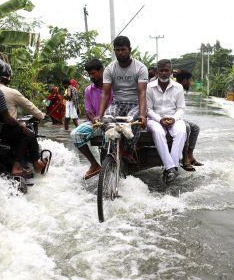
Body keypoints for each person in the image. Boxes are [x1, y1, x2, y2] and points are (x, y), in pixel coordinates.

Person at [96, 35, 148, 164]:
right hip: (118, 103)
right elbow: (105, 93)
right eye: (117, 50)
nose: (120, 53)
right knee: (106, 120)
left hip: (135, 103)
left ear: (129, 49)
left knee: (131, 121)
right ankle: (110, 148)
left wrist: (142, 115)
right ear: (114, 51)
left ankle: (129, 151)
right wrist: (99, 115)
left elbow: (142, 92)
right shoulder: (109, 69)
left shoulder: (140, 68)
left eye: (123, 49)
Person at [70, 59, 112, 180]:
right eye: (89, 74)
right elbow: (88, 111)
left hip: (112, 122)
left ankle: (107, 168)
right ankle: (94, 164)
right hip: (95, 122)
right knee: (75, 134)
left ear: (101, 71)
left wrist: (106, 122)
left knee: (109, 136)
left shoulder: (111, 87)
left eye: (93, 73)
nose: (91, 76)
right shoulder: (89, 90)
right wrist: (97, 122)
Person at [146, 59, 186, 184]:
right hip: (155, 119)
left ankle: (171, 169)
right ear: (157, 72)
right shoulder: (149, 87)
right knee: (158, 132)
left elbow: (181, 108)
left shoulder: (178, 87)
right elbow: (148, 109)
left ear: (171, 72)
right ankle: (171, 168)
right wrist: (159, 119)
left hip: (173, 118)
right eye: (161, 70)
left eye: (166, 70)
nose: (164, 73)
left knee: (181, 131)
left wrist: (174, 118)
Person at [174, 70, 203, 171]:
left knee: (195, 127)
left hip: (178, 117)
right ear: (185, 80)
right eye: (189, 80)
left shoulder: (180, 88)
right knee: (186, 127)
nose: (190, 83)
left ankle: (190, 155)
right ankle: (184, 157)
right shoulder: (176, 88)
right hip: (172, 118)